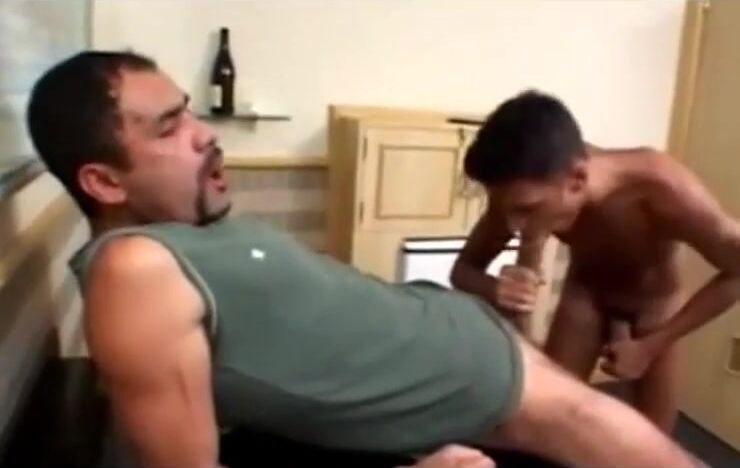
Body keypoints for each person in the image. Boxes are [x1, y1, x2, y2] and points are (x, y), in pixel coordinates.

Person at [26, 51, 703, 468]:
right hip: (484, 383)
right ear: (104, 182)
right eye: (170, 127)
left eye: (189, 112)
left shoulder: (187, 232)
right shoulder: (132, 269)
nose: (203, 134)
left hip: (468, 336)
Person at [451, 90, 740, 433]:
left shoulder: (663, 187)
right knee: (550, 418)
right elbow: (462, 271)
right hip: (585, 295)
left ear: (577, 180)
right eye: (506, 210)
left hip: (655, 306)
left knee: (653, 438)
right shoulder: (526, 191)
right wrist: (494, 288)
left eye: (526, 211)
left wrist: (651, 347)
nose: (512, 226)